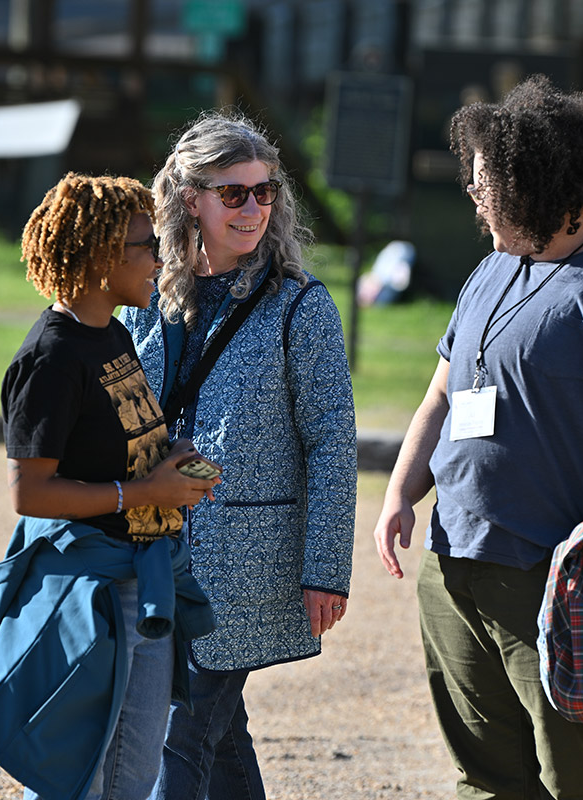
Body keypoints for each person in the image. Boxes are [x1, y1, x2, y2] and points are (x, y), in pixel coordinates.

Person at [372, 74, 583, 799]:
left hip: (565, 581)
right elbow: (441, 395)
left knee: (580, 780)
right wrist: (401, 491)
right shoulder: (492, 267)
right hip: (456, 561)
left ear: (544, 184)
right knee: (484, 777)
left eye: (489, 185)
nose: (475, 197)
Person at [0, 173, 221, 800]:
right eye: (146, 246)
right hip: (90, 593)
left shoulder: (115, 334)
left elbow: (111, 447)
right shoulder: (49, 358)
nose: (159, 258)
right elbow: (30, 492)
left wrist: (165, 457)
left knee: (135, 774)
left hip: (142, 576)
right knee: (77, 778)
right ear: (101, 258)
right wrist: (142, 495)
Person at [120, 111, 357, 800]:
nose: (255, 208)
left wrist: (326, 570)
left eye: (266, 191)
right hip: (152, 550)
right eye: (234, 193)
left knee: (178, 736)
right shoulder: (145, 292)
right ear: (189, 197)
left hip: (248, 564)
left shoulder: (300, 307)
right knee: (218, 738)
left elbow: (331, 442)